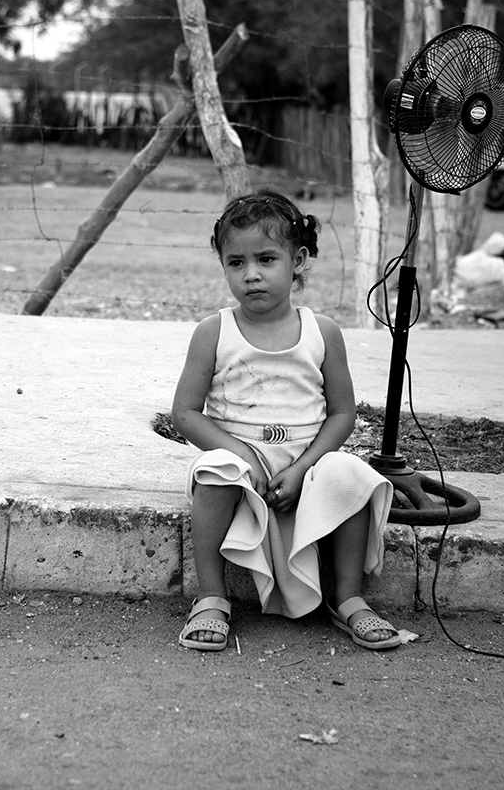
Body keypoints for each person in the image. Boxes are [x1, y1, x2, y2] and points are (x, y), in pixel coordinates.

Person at [171, 189, 400, 653]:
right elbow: (185, 412)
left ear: (297, 260)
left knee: (351, 474)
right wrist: (240, 454)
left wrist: (301, 468)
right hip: (241, 465)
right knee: (214, 474)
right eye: (236, 263)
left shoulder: (323, 332)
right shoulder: (214, 332)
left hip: (307, 463)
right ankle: (211, 596)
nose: (251, 274)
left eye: (266, 259)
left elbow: (341, 414)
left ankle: (349, 597)